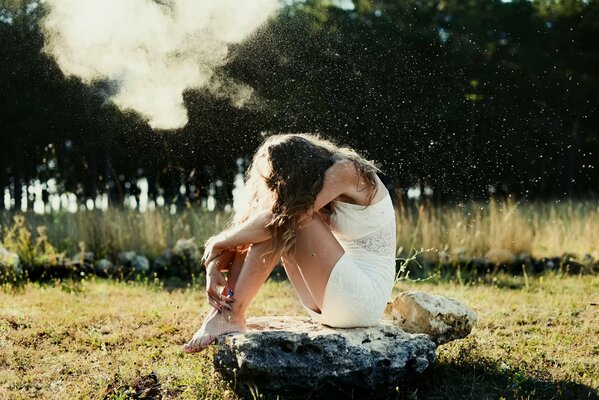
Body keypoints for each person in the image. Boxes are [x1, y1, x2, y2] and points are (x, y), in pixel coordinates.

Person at [183, 133, 396, 353]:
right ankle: (224, 313)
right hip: (331, 298)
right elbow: (251, 227)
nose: (275, 186)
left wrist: (216, 242)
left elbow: (277, 220)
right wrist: (214, 262)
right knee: (271, 219)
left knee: (283, 220)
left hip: (362, 297)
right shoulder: (316, 185)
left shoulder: (347, 171)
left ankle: (231, 315)